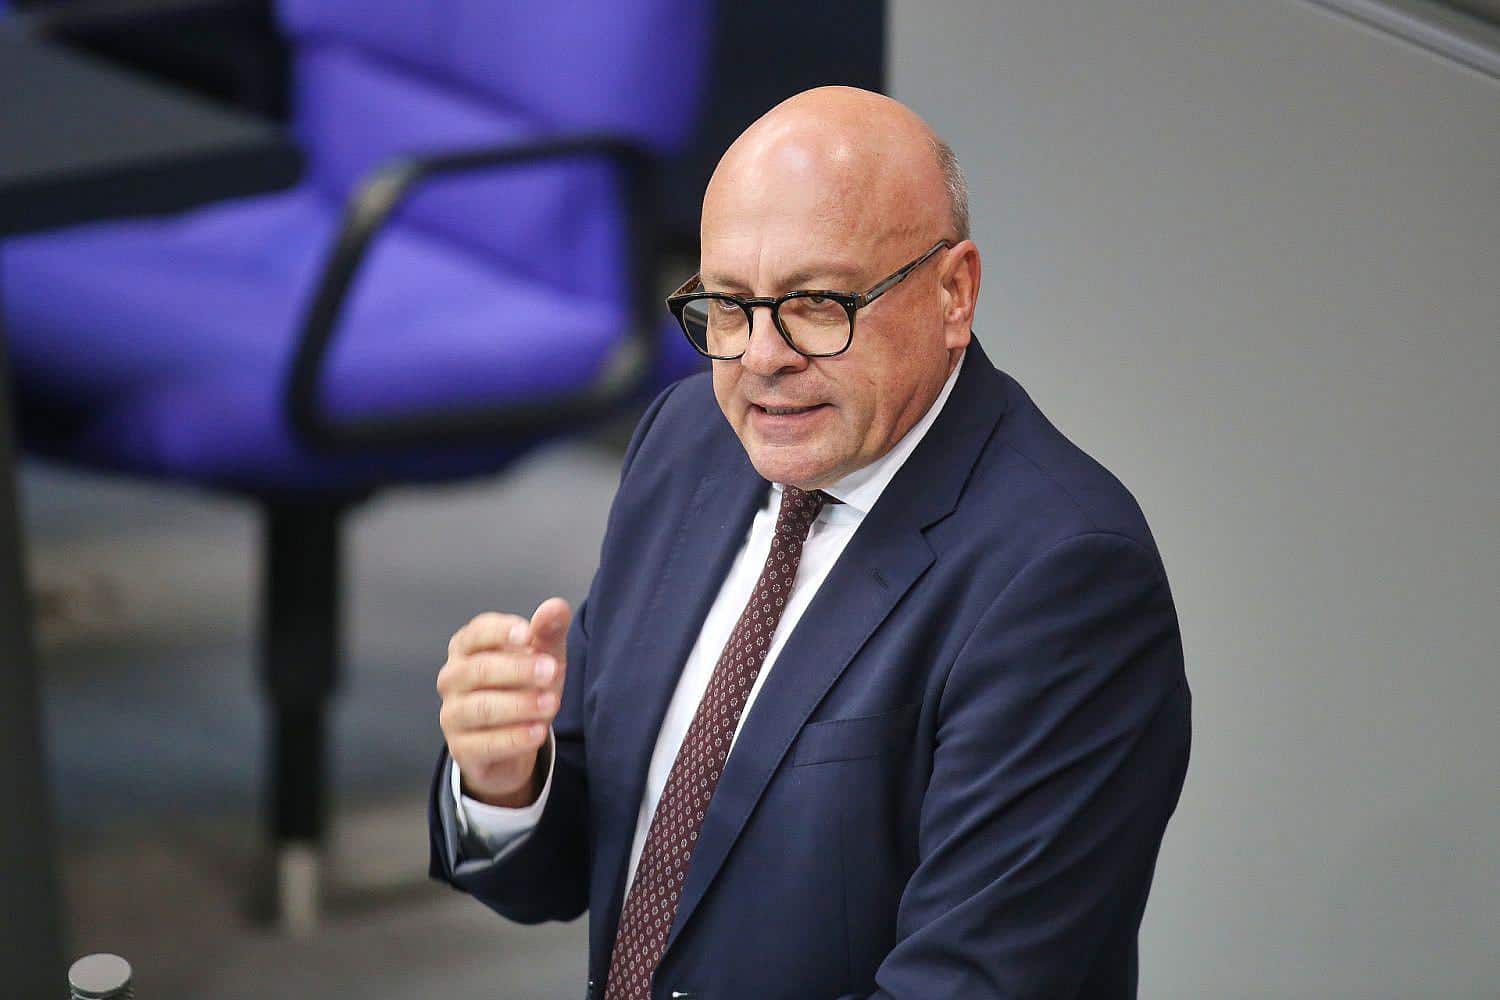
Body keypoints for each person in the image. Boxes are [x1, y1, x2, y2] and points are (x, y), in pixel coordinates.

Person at [428, 86, 1190, 1000]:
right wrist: (508, 779)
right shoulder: (688, 442)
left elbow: (970, 984)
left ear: (954, 293)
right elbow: (598, 845)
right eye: (728, 304)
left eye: (818, 303)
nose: (761, 357)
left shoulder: (1065, 580)